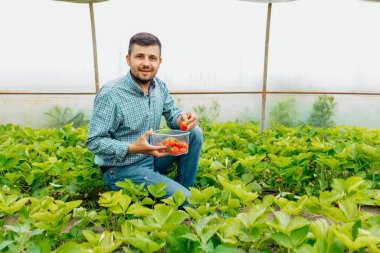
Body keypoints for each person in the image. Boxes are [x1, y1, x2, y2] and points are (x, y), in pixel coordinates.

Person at [86, 32, 203, 204]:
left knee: (194, 134)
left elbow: (173, 115)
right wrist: (133, 148)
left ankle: (183, 190)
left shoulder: (159, 86)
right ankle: (182, 199)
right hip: (122, 168)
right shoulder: (111, 93)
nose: (146, 63)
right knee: (189, 201)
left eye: (152, 58)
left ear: (159, 62)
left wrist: (184, 119)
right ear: (128, 59)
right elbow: (94, 141)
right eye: (139, 56)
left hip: (151, 156)